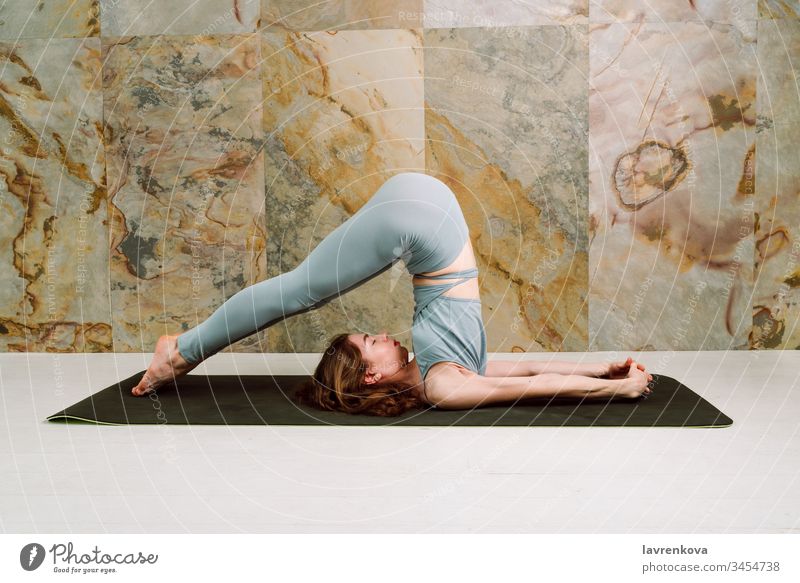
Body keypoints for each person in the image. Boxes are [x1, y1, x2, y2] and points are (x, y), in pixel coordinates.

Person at [131, 172, 653, 415]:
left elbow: (528, 383)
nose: (382, 333)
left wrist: (614, 386)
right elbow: (530, 381)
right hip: (424, 212)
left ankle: (179, 351)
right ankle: (180, 351)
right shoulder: (445, 382)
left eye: (368, 337)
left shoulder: (440, 376)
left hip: (422, 219)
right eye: (370, 341)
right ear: (373, 375)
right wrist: (605, 376)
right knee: (300, 291)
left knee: (302, 292)